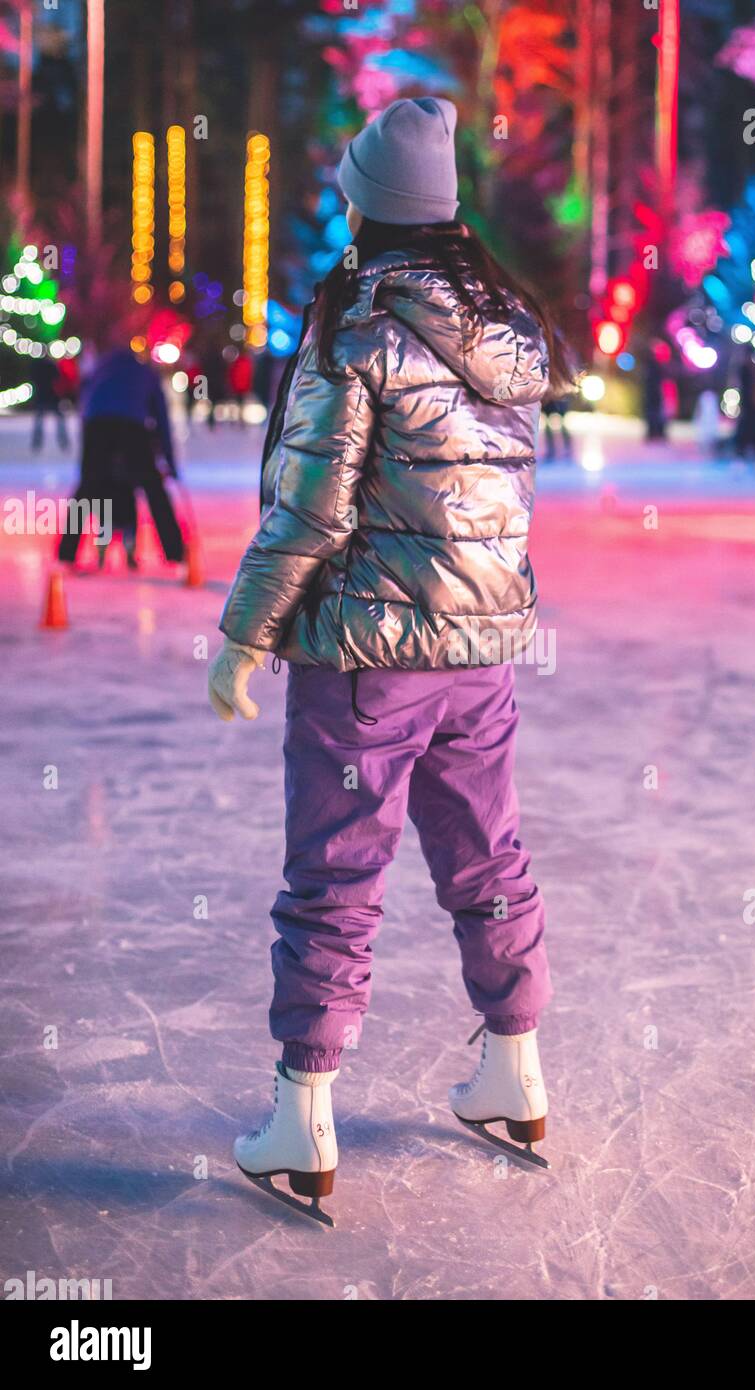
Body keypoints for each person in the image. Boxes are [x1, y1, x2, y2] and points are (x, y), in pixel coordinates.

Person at [208, 97, 570, 1211]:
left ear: (367, 204)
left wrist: (241, 635)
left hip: (369, 658)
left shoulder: (355, 329)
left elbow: (308, 512)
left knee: (335, 877)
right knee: (487, 855)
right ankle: (514, 1071)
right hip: (483, 652)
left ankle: (300, 1119)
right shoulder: (507, 329)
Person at [57, 345, 184, 568]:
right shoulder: (146, 372)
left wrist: (87, 465)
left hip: (97, 425)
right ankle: (175, 551)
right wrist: (170, 463)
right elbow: (161, 421)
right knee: (153, 488)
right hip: (132, 426)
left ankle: (67, 552)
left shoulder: (98, 369)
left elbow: (85, 407)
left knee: (87, 488)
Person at [29, 354, 70, 453]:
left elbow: (33, 378)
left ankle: (36, 443)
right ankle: (63, 442)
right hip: (52, 396)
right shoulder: (52, 365)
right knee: (59, 419)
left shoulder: (37, 366)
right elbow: (58, 378)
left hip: (42, 396)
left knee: (39, 420)